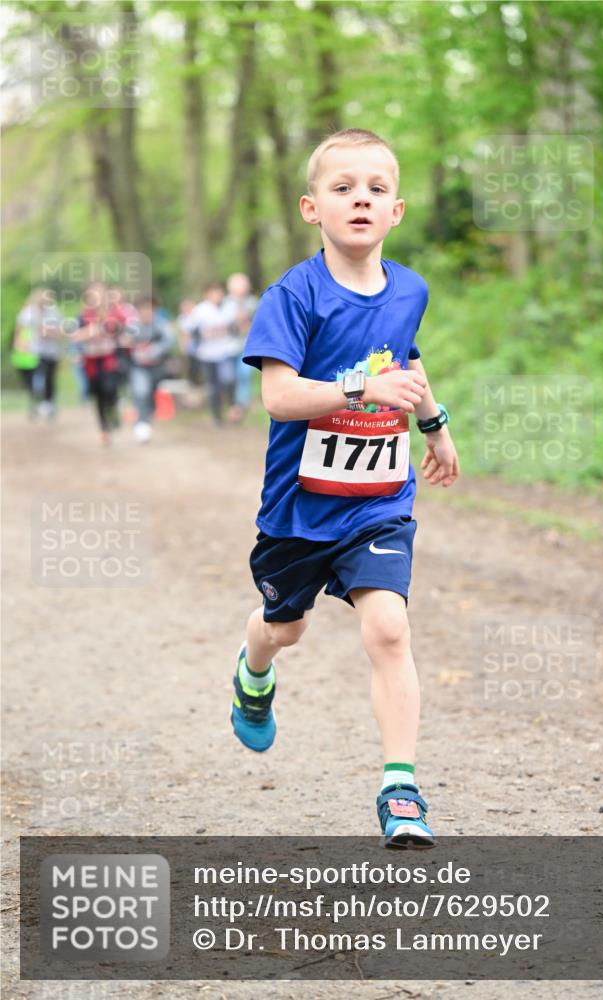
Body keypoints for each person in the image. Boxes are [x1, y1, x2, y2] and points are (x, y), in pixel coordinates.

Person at [230, 128, 460, 849]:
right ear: (312, 208)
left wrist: (434, 424)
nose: (360, 199)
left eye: (376, 188)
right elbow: (279, 398)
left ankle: (400, 789)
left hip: (378, 498)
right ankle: (254, 671)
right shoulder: (292, 296)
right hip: (300, 507)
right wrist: (362, 387)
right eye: (342, 188)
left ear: (396, 210)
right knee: (285, 628)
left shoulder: (410, 289)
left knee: (388, 627)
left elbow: (406, 361)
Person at [73, 282, 124, 446]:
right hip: (91, 362)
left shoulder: (114, 313)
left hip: (109, 360)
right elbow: (75, 336)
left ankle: (114, 411)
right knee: (99, 396)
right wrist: (90, 332)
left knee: (110, 390)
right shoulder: (83, 316)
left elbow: (123, 331)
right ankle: (104, 431)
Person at [181, 282, 239, 424]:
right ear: (206, 294)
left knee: (229, 380)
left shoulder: (229, 307)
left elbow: (238, 326)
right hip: (208, 354)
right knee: (213, 386)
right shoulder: (200, 310)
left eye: (218, 292)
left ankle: (232, 407)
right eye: (213, 292)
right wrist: (191, 344)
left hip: (226, 351)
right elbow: (188, 330)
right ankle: (216, 415)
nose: (216, 296)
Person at [124, 296, 174, 443]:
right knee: (141, 392)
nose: (147, 312)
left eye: (150, 309)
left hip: (157, 368)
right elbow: (124, 341)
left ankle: (147, 419)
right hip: (138, 367)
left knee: (151, 395)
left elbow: (168, 342)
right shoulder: (132, 327)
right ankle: (141, 423)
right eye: (143, 309)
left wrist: (153, 351)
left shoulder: (161, 325)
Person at [14, 288, 62, 420]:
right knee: (38, 377)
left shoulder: (54, 312)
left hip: (52, 351)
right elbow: (20, 328)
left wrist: (50, 333)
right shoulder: (29, 312)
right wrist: (19, 342)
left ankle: (49, 403)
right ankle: (38, 402)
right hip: (36, 351)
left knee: (50, 378)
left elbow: (60, 331)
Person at [225, 272, 257, 423]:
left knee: (244, 375)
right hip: (227, 347)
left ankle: (240, 406)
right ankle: (232, 404)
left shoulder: (253, 303)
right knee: (228, 377)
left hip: (247, 346)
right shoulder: (226, 304)